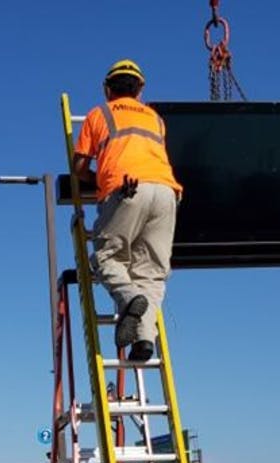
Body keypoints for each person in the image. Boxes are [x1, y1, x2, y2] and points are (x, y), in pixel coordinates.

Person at [73, 59, 183, 362]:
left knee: (108, 256)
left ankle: (128, 298)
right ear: (140, 89)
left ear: (107, 89)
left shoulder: (100, 114)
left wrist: (100, 181)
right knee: (152, 273)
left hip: (126, 189)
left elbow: (79, 166)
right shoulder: (155, 118)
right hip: (167, 192)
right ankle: (144, 339)